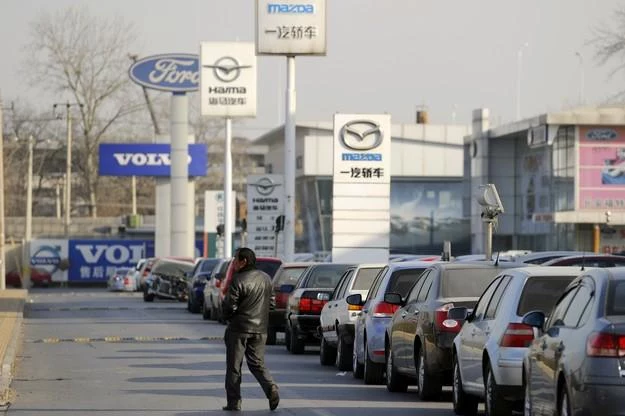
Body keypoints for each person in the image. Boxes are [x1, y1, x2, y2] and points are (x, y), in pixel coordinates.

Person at [221, 247, 280, 411]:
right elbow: (272, 305)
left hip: (239, 329)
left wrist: (228, 317)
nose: (234, 262)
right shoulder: (266, 278)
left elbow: (229, 307)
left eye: (235, 259)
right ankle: (271, 388)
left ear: (244, 261)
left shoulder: (238, 279)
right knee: (257, 364)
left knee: (234, 366)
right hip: (261, 330)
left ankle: (234, 402)